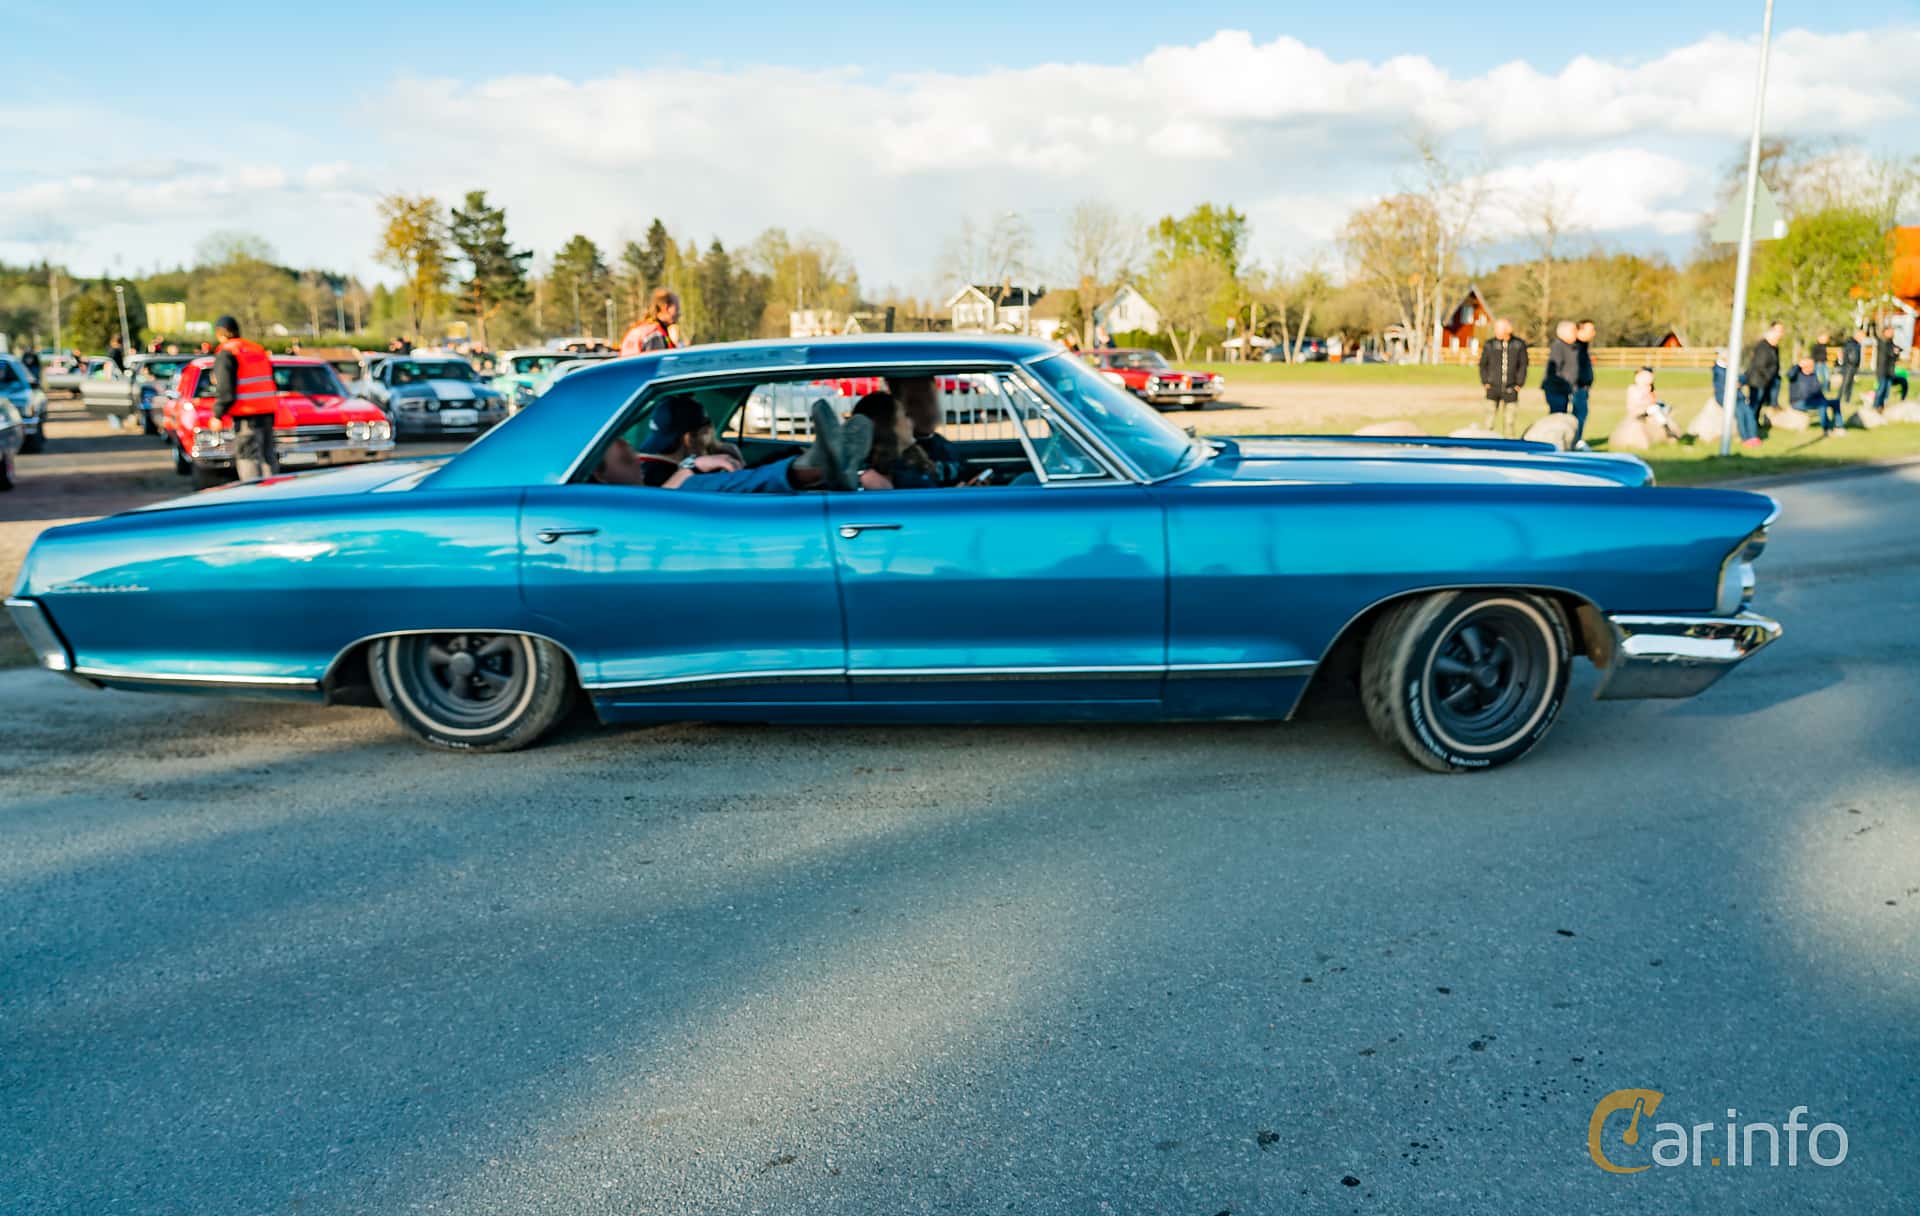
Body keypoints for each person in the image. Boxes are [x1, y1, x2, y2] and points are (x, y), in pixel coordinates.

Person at [598, 398, 867, 493]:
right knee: (702, 486)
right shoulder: (655, 476)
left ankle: (813, 463)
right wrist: (691, 467)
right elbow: (655, 507)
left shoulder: (651, 472)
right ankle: (815, 467)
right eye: (628, 459)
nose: (639, 462)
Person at [209, 315, 279, 480]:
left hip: (247, 415)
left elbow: (225, 389)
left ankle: (252, 492)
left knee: (248, 456)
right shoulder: (257, 349)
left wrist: (217, 415)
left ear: (220, 333)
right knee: (268, 455)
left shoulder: (227, 352)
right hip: (267, 411)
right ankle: (274, 490)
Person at [849, 391, 939, 489]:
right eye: (905, 415)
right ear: (889, 425)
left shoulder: (912, 461)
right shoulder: (878, 479)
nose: (911, 421)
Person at [889, 376, 965, 485]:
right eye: (915, 403)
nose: (927, 410)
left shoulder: (945, 446)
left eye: (931, 399)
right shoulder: (896, 456)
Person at [1476, 317, 1528, 437]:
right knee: (1489, 421)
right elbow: (1483, 364)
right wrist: (1485, 381)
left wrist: (1519, 384)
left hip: (1511, 388)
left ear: (1508, 329)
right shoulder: (1490, 344)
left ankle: (1509, 443)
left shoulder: (1518, 345)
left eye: (1499, 328)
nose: (1496, 331)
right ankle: (1487, 442)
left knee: (1509, 422)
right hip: (1492, 387)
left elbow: (1523, 365)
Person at [1714, 348, 1761, 449]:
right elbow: (1721, 385)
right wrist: (1731, 384)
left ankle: (1753, 436)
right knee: (1740, 414)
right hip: (1725, 397)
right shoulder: (1718, 369)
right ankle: (1745, 438)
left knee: (1749, 412)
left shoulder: (1732, 367)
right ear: (1724, 358)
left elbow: (1743, 377)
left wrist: (1740, 382)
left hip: (1738, 396)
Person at [1787, 355, 1844, 435]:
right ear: (1803, 365)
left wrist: (1823, 399)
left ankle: (1839, 427)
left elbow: (1818, 391)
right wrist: (1798, 365)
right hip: (1798, 402)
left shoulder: (1813, 375)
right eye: (1810, 365)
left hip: (1814, 401)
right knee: (1822, 404)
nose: (1812, 367)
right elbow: (1789, 374)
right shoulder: (1796, 375)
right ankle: (1826, 428)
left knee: (1835, 402)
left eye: (1812, 365)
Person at [620, 289, 680, 355]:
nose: (678, 313)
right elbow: (656, 361)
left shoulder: (642, 329)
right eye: (677, 308)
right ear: (665, 307)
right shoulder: (655, 335)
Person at [1745, 322, 1784, 417]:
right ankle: (1749, 424)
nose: (1781, 333)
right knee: (1754, 405)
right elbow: (1760, 365)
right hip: (1758, 380)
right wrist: (1770, 378)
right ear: (1771, 331)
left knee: (1759, 405)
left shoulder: (1774, 347)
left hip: (1765, 380)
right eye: (1778, 331)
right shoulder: (1763, 346)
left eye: (1781, 331)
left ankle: (1755, 422)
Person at [1541, 321, 1577, 418]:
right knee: (1558, 416)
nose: (1576, 333)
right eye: (1573, 331)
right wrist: (1566, 383)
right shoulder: (1558, 346)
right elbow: (1555, 369)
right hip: (1556, 389)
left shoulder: (1571, 346)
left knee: (1562, 416)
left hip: (1563, 389)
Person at [1572, 320, 1596, 444]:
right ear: (1580, 330)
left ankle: (1576, 439)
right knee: (1578, 415)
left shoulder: (1583, 347)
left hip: (1583, 387)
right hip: (1577, 387)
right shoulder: (1575, 347)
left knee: (1581, 414)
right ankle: (1575, 441)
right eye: (1590, 330)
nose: (1593, 333)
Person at [1872, 325, 1907, 411]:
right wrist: (1873, 324)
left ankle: (1882, 407)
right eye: (1890, 332)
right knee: (1881, 389)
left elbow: (1895, 356)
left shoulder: (1891, 343)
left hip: (1890, 372)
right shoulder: (1882, 342)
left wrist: (1896, 353)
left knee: (1886, 391)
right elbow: (1890, 353)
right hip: (1882, 371)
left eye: (1892, 332)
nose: (1892, 333)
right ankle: (1875, 406)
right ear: (1885, 332)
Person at [1838, 328, 1864, 407]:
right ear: (1857, 336)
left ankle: (1847, 400)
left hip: (1854, 367)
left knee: (1850, 384)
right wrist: (1850, 362)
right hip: (1848, 366)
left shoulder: (1858, 344)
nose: (1863, 338)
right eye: (1861, 336)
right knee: (1845, 383)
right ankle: (1838, 399)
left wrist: (1857, 366)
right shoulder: (1850, 343)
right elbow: (1849, 355)